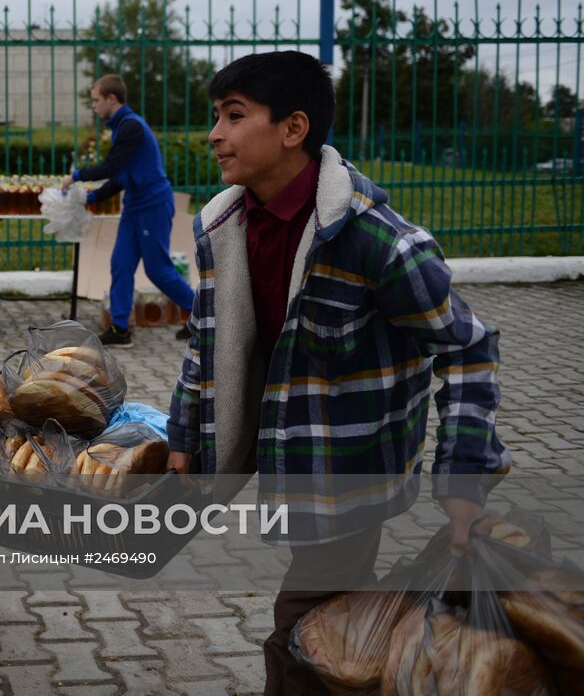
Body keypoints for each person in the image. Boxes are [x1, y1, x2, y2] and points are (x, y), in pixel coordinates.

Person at [161, 51, 509, 695]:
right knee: (334, 634)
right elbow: (207, 344)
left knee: (302, 630)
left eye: (234, 116)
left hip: (350, 474)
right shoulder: (226, 227)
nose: (215, 134)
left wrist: (464, 475)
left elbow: (469, 348)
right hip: (276, 450)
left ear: (293, 129)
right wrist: (184, 433)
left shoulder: (378, 243)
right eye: (216, 116)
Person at [61, 74, 193, 346]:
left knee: (158, 270)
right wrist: (92, 197)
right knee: (120, 264)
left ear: (112, 99)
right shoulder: (122, 126)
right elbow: (121, 176)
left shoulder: (131, 126)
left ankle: (204, 315)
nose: (94, 105)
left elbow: (111, 166)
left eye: (97, 100)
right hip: (135, 204)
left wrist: (76, 176)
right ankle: (120, 329)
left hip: (153, 203)